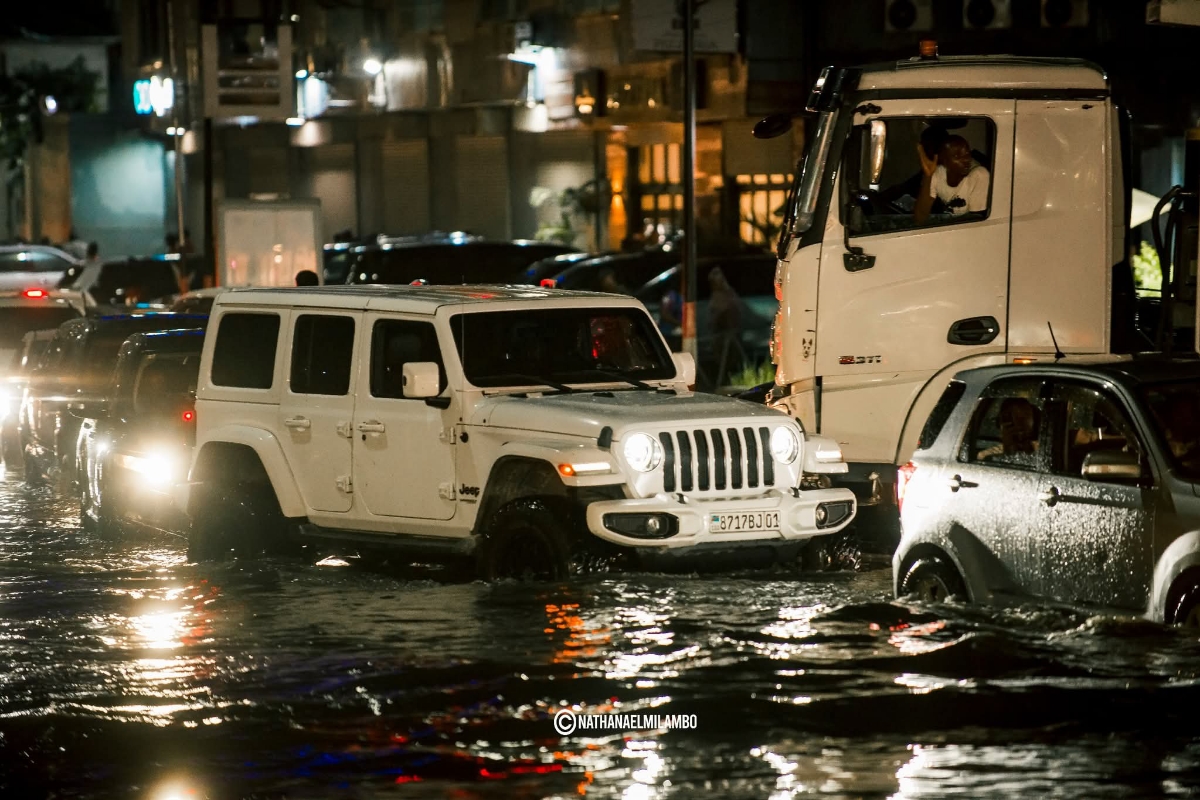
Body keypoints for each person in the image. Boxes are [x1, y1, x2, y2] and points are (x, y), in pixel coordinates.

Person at [915, 134, 990, 224]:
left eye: (967, 153)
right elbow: (920, 217)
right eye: (957, 156)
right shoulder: (938, 173)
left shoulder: (980, 175)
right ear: (944, 161)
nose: (967, 160)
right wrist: (928, 176)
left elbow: (976, 222)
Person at [709, 266, 744, 386]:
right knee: (723, 361)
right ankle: (724, 381)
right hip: (721, 333)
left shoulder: (728, 293)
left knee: (734, 359)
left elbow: (734, 309)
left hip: (732, 331)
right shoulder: (717, 295)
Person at [978, 397, 1039, 463]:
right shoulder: (988, 456)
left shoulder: (1043, 449)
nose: (1024, 421)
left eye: (1027, 415)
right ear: (1005, 422)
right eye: (1018, 416)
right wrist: (1008, 445)